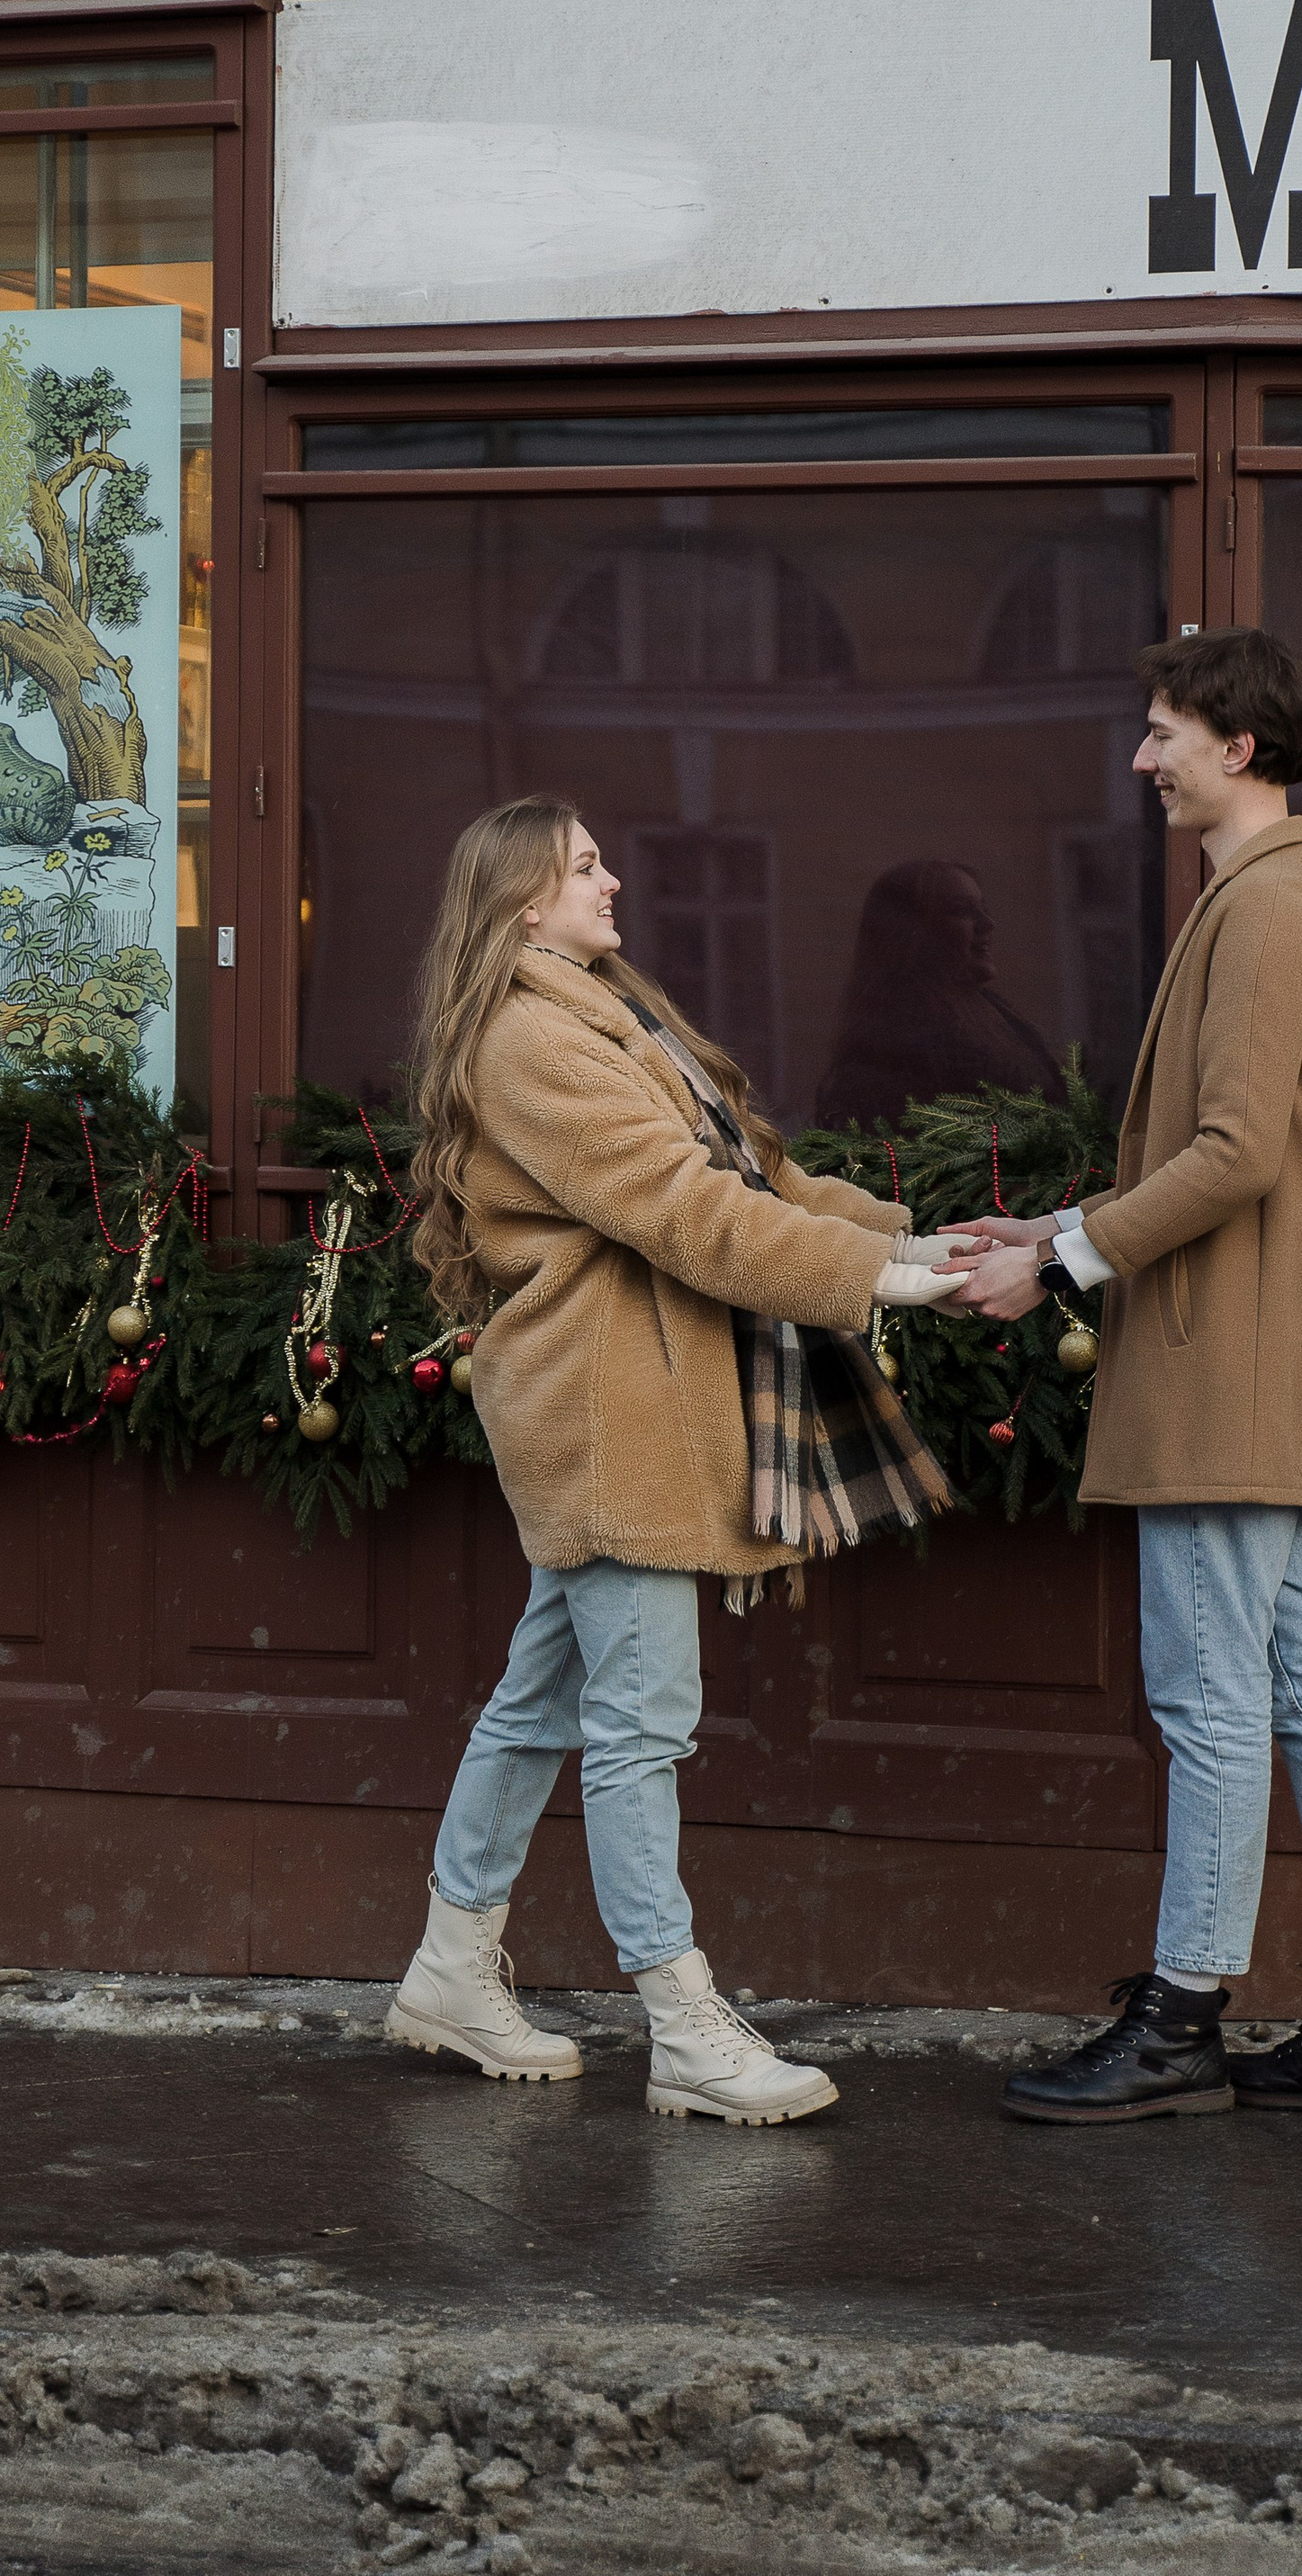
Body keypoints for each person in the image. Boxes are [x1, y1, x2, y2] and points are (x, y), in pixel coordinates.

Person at [386, 795, 965, 2126]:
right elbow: (685, 1212)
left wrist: (916, 1245)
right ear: (522, 901)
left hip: (628, 1398)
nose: (615, 883)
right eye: (585, 867)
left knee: (543, 1704)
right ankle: (684, 2022)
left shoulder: (608, 1013)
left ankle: (450, 1967)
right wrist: (876, 1277)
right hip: (608, 1411)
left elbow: (753, 1176)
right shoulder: (530, 1037)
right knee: (642, 1726)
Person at [948, 631, 1302, 2127]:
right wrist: (1056, 1222)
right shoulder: (1271, 895)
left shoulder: (1269, 907)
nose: (1143, 758)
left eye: (1162, 733)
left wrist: (1063, 1265)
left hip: (1223, 1372)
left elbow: (1232, 1159)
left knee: (1215, 1699)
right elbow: (1211, 1155)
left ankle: (1180, 2018)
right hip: (1255, 1366)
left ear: (1237, 747)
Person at [814, 858, 1063, 1128]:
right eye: (961, 911)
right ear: (911, 933)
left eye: (983, 909)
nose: (987, 924)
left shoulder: (992, 1015)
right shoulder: (901, 1042)